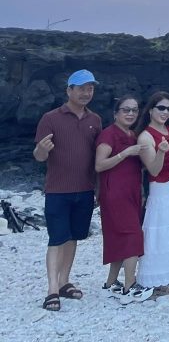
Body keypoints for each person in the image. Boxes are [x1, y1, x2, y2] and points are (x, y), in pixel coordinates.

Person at [33, 69, 103, 311]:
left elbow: (96, 156)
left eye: (90, 88)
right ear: (69, 90)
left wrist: (98, 188)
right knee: (56, 238)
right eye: (81, 88)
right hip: (57, 190)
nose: (86, 93)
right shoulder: (50, 118)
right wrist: (42, 149)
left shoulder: (95, 120)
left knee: (73, 237)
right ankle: (52, 289)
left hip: (84, 190)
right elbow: (39, 156)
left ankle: (64, 281)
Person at [95, 96, 151, 303]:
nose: (130, 114)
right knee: (132, 235)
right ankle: (130, 285)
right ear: (115, 113)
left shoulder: (133, 135)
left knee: (119, 236)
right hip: (115, 193)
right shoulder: (108, 134)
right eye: (126, 110)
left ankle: (110, 283)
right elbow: (99, 165)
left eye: (134, 110)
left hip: (132, 192)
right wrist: (124, 153)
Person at [136, 91, 169, 291]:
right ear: (150, 110)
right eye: (161, 108)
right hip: (160, 189)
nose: (166, 112)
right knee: (159, 233)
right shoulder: (145, 137)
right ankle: (154, 279)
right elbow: (154, 170)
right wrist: (161, 152)